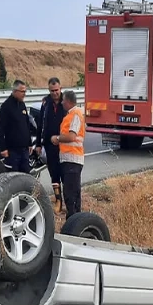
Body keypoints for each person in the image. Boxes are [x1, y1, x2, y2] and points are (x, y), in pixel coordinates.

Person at [35, 77, 67, 214]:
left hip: (64, 142)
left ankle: (69, 200)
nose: (54, 93)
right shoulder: (45, 102)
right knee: (54, 172)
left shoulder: (67, 101)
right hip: (49, 143)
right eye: (52, 90)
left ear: (60, 88)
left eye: (57, 90)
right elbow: (40, 124)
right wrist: (38, 143)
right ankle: (58, 200)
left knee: (65, 172)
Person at [52, 90, 85, 219]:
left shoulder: (75, 114)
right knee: (72, 193)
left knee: (71, 195)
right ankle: (75, 220)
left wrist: (58, 138)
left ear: (69, 101)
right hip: (68, 159)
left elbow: (71, 136)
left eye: (63, 100)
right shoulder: (70, 115)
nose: (62, 102)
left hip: (73, 159)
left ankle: (73, 222)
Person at [0, 80, 33, 173]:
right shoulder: (6, 106)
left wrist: (29, 143)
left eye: (25, 91)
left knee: (26, 175)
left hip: (24, 149)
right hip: (13, 151)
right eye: (22, 92)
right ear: (15, 91)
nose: (24, 94)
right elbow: (0, 129)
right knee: (14, 177)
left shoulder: (22, 104)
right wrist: (3, 148)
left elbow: (27, 124)